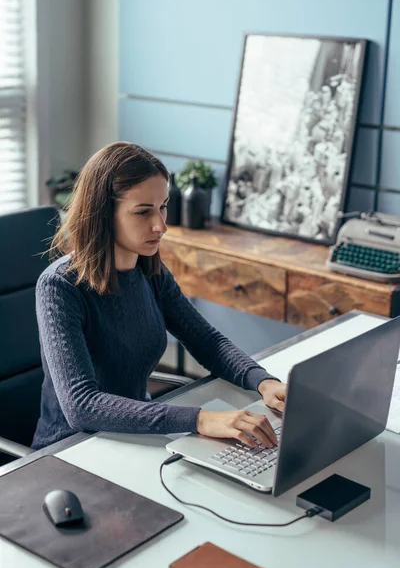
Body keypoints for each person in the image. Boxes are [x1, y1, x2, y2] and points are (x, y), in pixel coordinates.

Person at [32, 142, 286, 451]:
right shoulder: (59, 287)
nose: (160, 226)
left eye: (163, 206)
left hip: (135, 436)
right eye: (143, 212)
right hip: (69, 449)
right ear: (103, 214)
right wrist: (201, 419)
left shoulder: (150, 270)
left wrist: (262, 381)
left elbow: (207, 341)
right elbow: (82, 406)